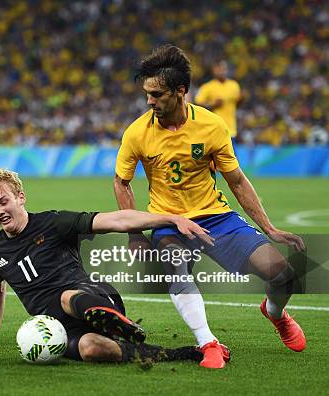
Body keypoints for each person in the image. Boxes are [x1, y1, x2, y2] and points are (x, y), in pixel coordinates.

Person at [113, 44, 306, 369]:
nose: (149, 101)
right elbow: (121, 181)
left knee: (283, 275)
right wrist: (135, 233)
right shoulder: (137, 132)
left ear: (180, 91)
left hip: (216, 218)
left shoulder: (212, 126)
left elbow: (237, 181)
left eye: (157, 94)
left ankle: (275, 313)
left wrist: (269, 228)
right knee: (176, 266)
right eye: (147, 94)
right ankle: (208, 343)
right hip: (168, 222)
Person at [0, 168, 212, 365]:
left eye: (4, 202)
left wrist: (171, 218)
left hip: (90, 295)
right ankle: (171, 353)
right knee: (91, 348)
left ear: (20, 197)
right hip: (59, 324)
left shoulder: (54, 223)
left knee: (67, 297)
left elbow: (117, 219)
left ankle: (119, 323)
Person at [194, 60, 242, 148]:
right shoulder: (207, 87)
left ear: (226, 69)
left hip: (231, 130)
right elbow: (197, 105)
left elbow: (237, 104)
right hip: (214, 130)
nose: (221, 71)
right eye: (218, 69)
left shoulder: (234, 85)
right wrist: (212, 105)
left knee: (232, 159)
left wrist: (242, 100)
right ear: (214, 71)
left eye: (222, 68)